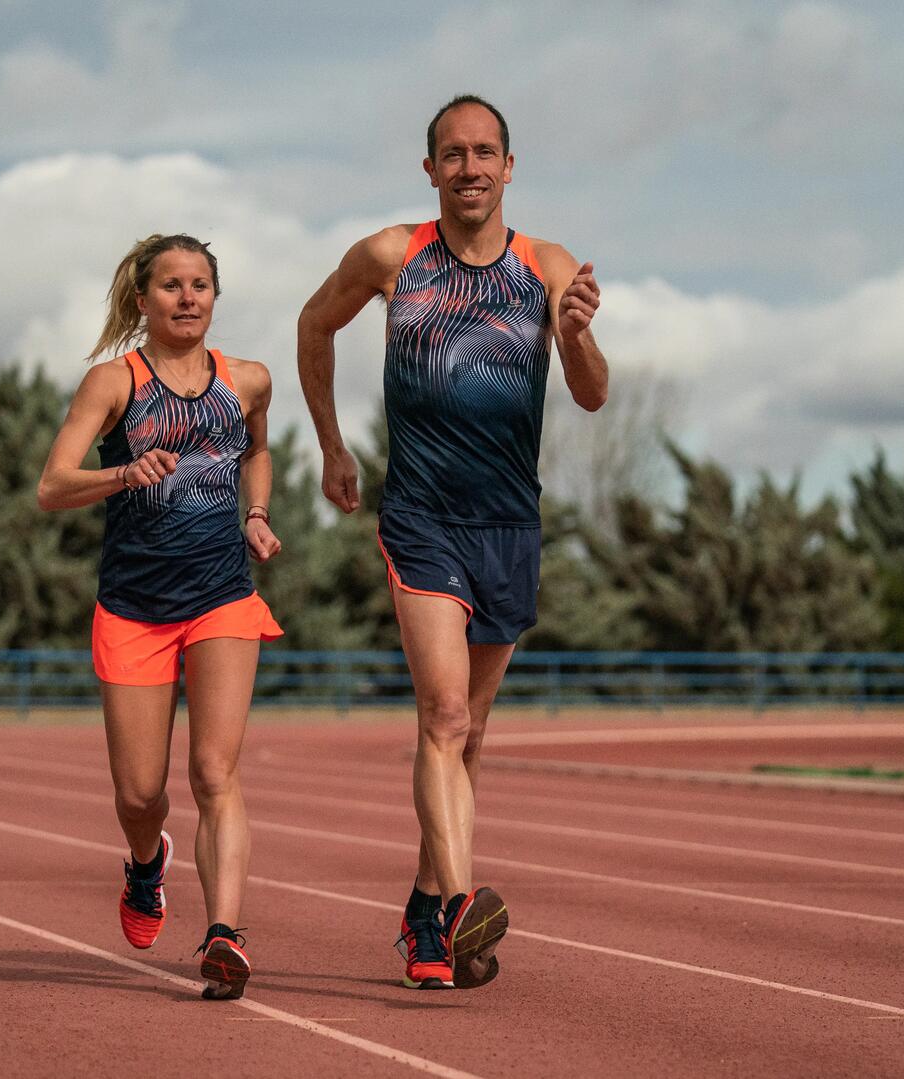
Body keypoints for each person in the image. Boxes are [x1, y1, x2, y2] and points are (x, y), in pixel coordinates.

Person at [297, 94, 610, 990]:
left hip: (510, 524)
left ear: (509, 167)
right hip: (423, 519)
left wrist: (578, 334)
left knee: (466, 738)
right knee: (442, 715)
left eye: (485, 153)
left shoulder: (544, 265)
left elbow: (590, 394)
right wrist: (330, 443)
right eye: (452, 154)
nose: (470, 168)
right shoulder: (392, 256)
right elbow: (315, 324)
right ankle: (464, 906)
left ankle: (426, 913)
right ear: (429, 169)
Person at [38, 233, 284, 1001]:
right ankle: (147, 865)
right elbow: (52, 485)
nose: (187, 297)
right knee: (141, 793)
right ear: (143, 299)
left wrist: (257, 512)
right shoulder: (115, 383)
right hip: (135, 608)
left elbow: (256, 454)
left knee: (216, 770)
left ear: (216, 295)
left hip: (221, 596)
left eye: (200, 284)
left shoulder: (248, 380)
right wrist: (122, 472)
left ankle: (224, 934)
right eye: (172, 285)